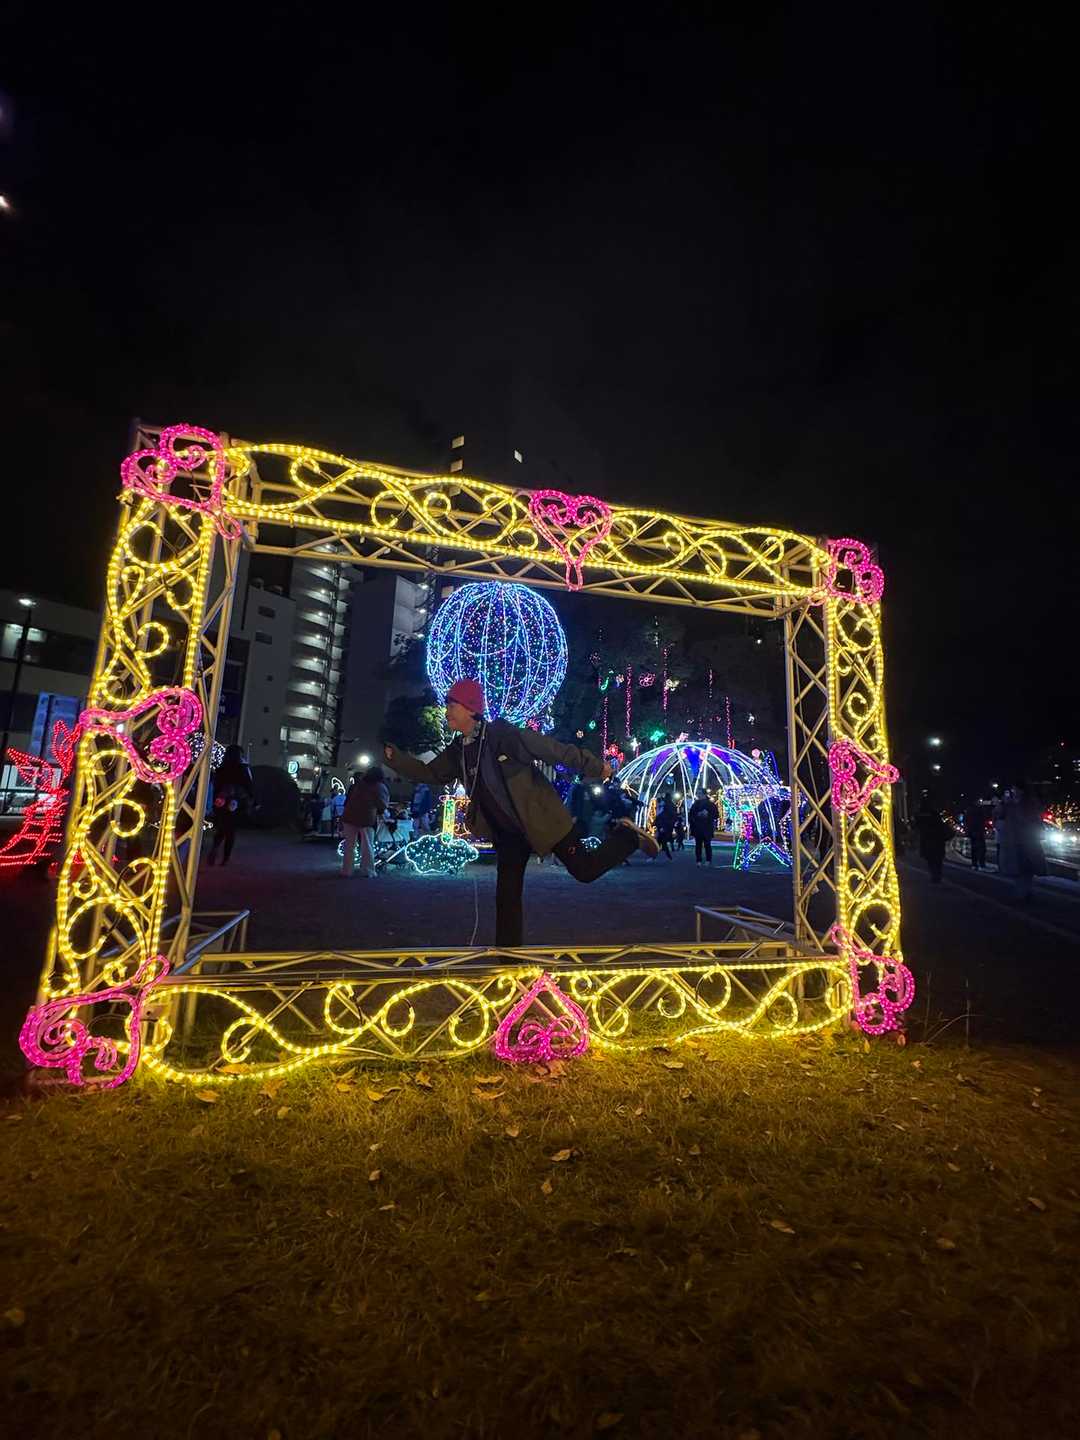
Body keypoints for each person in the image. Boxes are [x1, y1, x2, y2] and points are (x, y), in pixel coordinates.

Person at [382, 678, 659, 946]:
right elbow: (432, 773)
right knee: (507, 897)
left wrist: (595, 766)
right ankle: (509, 961)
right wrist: (397, 759)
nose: (447, 712)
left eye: (451, 705)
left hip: (542, 820)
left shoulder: (504, 736)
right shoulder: (459, 750)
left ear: (470, 708)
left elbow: (552, 750)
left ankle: (627, 837)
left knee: (585, 870)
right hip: (508, 835)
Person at [995, 781, 1046, 902]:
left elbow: (1034, 818)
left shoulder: (1027, 804)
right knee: (1020, 866)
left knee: (1025, 866)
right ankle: (1024, 891)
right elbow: (999, 815)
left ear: (1021, 791)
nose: (1013, 792)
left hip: (1025, 839)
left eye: (1015, 789)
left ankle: (1024, 892)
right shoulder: (1011, 804)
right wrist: (1003, 804)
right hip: (1019, 839)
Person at [206, 744, 255, 867]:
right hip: (236, 802)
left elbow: (216, 785)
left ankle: (215, 847)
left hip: (221, 800)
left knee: (222, 827)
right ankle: (225, 858)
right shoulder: (243, 769)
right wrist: (252, 800)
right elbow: (249, 786)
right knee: (230, 831)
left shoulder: (222, 768)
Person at [341, 764, 390, 877]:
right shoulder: (379, 786)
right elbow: (382, 804)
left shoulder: (358, 785)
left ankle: (347, 870)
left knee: (349, 845)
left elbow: (348, 800)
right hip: (366, 818)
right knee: (367, 845)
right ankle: (368, 870)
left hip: (349, 816)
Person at [913, 800, 951, 884]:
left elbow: (916, 826)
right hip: (937, 839)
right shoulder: (934, 814)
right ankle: (937, 875)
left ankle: (934, 874)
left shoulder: (920, 815)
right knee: (937, 860)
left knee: (930, 859)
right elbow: (940, 825)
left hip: (927, 839)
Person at [689, 791, 720, 865]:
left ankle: (708, 860)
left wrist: (708, 814)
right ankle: (699, 860)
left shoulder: (710, 804)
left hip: (707, 827)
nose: (698, 795)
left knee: (707, 844)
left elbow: (716, 815)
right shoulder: (696, 804)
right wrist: (697, 814)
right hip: (698, 827)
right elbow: (691, 815)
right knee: (698, 845)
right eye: (698, 793)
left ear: (704, 794)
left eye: (700, 793)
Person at [963, 800, 988, 870]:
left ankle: (975, 864)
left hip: (974, 831)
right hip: (977, 831)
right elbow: (982, 819)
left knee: (975, 848)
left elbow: (966, 821)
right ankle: (981, 864)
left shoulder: (969, 810)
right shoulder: (978, 810)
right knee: (981, 848)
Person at [654, 794, 677, 860]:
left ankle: (655, 854)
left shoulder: (665, 805)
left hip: (664, 825)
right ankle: (666, 855)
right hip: (667, 825)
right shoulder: (670, 805)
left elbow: (662, 816)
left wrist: (661, 826)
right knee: (662, 840)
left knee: (662, 841)